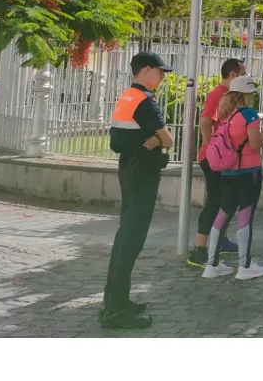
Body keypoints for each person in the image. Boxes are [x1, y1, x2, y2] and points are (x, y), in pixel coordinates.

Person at [101, 52, 173, 329]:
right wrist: (160, 139)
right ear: (146, 70)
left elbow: (122, 139)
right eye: (160, 71)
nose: (163, 77)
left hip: (128, 168)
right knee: (132, 239)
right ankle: (116, 310)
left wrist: (155, 139)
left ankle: (114, 301)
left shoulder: (127, 96)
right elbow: (167, 139)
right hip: (141, 171)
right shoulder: (144, 100)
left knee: (124, 236)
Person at [202, 76, 263, 281]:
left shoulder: (226, 115)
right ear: (247, 94)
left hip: (228, 172)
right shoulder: (249, 114)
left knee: (222, 215)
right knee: (245, 217)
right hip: (248, 172)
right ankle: (245, 265)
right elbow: (254, 145)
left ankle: (211, 264)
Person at [187, 58, 244, 268]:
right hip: (213, 158)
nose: (245, 76)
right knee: (215, 201)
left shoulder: (229, 95)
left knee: (227, 201)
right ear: (232, 75)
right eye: (242, 73)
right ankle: (199, 249)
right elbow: (205, 121)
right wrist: (211, 147)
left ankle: (220, 240)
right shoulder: (217, 94)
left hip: (224, 158)